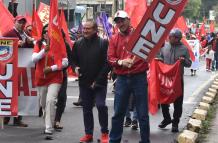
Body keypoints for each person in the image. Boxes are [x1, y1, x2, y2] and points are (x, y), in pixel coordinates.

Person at [108, 10, 150, 143]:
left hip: (139, 77)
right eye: (117, 21)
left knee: (143, 114)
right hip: (121, 79)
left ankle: (145, 141)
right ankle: (114, 140)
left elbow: (152, 48)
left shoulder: (140, 35)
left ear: (129, 20)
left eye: (122, 20)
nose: (120, 23)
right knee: (118, 113)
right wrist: (121, 62)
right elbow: (110, 58)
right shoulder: (114, 38)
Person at [71, 19, 110, 143]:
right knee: (86, 109)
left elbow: (107, 63)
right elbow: (73, 60)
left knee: (101, 105)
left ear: (94, 30)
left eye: (88, 28)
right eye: (84, 28)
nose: (85, 30)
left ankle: (104, 132)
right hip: (84, 82)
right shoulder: (78, 43)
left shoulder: (103, 43)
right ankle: (88, 134)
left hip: (100, 82)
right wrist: (75, 67)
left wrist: (97, 80)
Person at [32, 24, 68, 136]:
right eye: (45, 31)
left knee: (50, 101)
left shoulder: (60, 45)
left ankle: (48, 127)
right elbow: (33, 59)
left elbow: (65, 62)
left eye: (49, 31)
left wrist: (52, 68)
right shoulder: (38, 44)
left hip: (55, 78)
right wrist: (43, 51)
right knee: (43, 103)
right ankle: (47, 116)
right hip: (41, 78)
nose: (47, 33)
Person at [157, 29, 192, 132]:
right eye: (169, 35)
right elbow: (161, 57)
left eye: (171, 36)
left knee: (178, 102)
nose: (169, 37)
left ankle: (175, 123)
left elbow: (189, 63)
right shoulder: (165, 47)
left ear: (177, 38)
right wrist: (159, 60)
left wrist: (183, 60)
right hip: (166, 79)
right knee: (163, 100)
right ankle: (166, 119)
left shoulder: (184, 49)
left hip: (177, 80)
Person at [3, 15, 31, 127]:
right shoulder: (9, 34)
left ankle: (18, 118)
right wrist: (15, 44)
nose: (22, 24)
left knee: (20, 93)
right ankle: (6, 117)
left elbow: (31, 47)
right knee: (9, 92)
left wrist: (29, 42)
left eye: (23, 23)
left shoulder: (24, 34)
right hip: (10, 67)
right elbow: (2, 47)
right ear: (15, 22)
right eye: (19, 22)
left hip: (22, 66)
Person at [54, 30, 73, 130]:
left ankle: (57, 120)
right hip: (48, 76)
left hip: (62, 75)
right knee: (47, 100)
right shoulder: (45, 44)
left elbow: (70, 59)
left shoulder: (65, 45)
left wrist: (63, 67)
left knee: (61, 97)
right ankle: (48, 119)